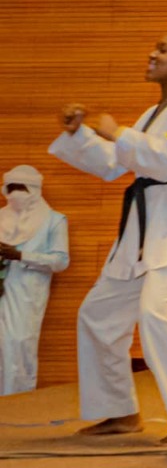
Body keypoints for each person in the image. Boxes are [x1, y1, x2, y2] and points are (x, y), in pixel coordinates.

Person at [50, 32, 167, 443]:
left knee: (161, 315)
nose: (152, 53)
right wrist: (82, 135)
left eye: (163, 49)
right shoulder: (154, 112)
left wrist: (120, 133)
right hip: (146, 224)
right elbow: (117, 164)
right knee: (98, 315)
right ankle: (118, 410)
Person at [0, 167, 70, 394]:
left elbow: (60, 261)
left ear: (34, 190)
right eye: (11, 188)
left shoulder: (53, 221)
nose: (15, 194)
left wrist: (21, 256)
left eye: (22, 188)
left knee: (18, 345)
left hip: (27, 294)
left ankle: (15, 401)